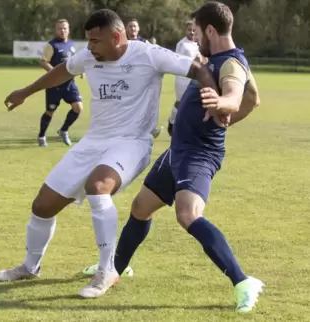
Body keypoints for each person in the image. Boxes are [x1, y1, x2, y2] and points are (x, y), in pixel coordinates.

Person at [0, 8, 218, 299]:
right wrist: (26, 91)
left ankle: (107, 269)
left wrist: (216, 100)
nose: (89, 47)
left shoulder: (149, 55)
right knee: (42, 206)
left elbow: (198, 69)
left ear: (117, 36)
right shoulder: (90, 56)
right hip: (93, 141)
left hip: (133, 142)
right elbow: (64, 71)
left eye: (95, 41)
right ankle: (29, 266)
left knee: (98, 187)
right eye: (88, 40)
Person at [83, 1, 264, 312]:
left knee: (188, 214)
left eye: (197, 32)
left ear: (209, 30)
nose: (194, 38)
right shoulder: (217, 58)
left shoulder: (230, 63)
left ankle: (242, 280)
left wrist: (223, 104)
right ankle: (116, 266)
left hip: (198, 153)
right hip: (178, 150)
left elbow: (237, 95)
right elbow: (254, 98)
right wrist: (228, 113)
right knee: (141, 207)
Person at [37, 19, 83, 147]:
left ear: (68, 30)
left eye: (64, 28)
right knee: (50, 111)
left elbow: (74, 62)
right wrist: (55, 74)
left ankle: (64, 130)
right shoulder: (52, 45)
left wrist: (80, 71)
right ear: (56, 30)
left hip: (69, 84)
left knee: (78, 108)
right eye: (59, 29)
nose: (62, 31)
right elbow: (43, 61)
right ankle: (41, 136)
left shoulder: (72, 45)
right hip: (54, 85)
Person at [126, 18, 163, 138]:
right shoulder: (123, 42)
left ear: (138, 28)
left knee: (146, 104)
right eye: (130, 26)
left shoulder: (144, 42)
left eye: (135, 26)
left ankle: (149, 129)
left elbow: (156, 51)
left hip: (141, 79)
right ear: (126, 28)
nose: (133, 29)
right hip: (126, 79)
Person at [168, 20, 201, 136]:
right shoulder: (181, 44)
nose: (192, 32)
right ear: (185, 30)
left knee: (192, 103)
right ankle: (172, 122)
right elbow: (177, 60)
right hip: (183, 79)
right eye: (189, 30)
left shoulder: (198, 43)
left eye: (193, 30)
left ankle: (187, 127)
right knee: (180, 102)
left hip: (195, 79)